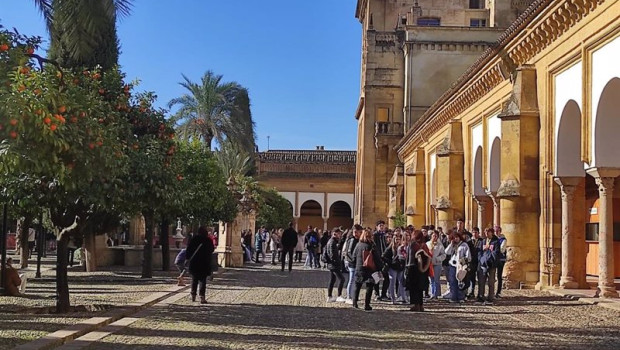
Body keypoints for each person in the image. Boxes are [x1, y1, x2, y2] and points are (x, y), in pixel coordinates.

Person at [351, 228, 383, 311]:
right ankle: (366, 304)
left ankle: (354, 302)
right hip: (369, 268)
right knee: (369, 286)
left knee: (357, 285)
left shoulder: (358, 245)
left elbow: (353, 257)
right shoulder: (371, 245)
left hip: (359, 267)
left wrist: (357, 264)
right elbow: (377, 258)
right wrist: (380, 267)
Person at [186, 226, 215, 304]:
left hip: (194, 262)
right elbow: (212, 249)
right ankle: (202, 297)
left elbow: (188, 250)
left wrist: (187, 258)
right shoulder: (208, 240)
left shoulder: (194, 239)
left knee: (194, 279)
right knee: (202, 280)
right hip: (204, 263)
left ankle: (193, 295)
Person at [406, 230, 432, 312]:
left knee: (414, 288)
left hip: (413, 268)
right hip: (423, 270)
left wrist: (407, 269)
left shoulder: (412, 244)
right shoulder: (424, 245)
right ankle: (421, 305)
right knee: (420, 288)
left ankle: (415, 305)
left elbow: (410, 258)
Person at [445, 232, 471, 303]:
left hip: (460, 266)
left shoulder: (464, 245)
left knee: (460, 281)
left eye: (457, 237)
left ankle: (460, 297)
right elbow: (447, 252)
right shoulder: (453, 245)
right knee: (453, 282)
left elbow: (468, 256)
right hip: (453, 265)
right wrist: (451, 244)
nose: (456, 239)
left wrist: (463, 261)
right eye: (454, 238)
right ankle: (453, 297)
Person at [478, 227, 500, 304]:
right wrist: (481, 259)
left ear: (492, 232)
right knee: (482, 281)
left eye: (488, 232)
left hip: (491, 264)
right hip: (483, 264)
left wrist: (490, 257)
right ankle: (481, 296)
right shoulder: (483, 241)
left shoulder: (495, 241)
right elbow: (480, 251)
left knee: (491, 282)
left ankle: (490, 297)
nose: (486, 233)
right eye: (485, 232)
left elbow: (496, 252)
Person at [382, 233, 406, 304]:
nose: (397, 241)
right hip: (392, 268)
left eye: (399, 239)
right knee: (392, 282)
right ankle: (393, 298)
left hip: (400, 267)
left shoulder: (402, 248)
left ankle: (402, 297)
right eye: (396, 239)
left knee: (401, 282)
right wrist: (391, 262)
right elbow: (383, 256)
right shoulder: (390, 248)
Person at [325, 228, 346, 302]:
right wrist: (338, 262)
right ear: (335, 233)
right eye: (339, 233)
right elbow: (332, 255)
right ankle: (339, 295)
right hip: (334, 265)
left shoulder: (332, 241)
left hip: (332, 264)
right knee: (342, 279)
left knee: (332, 280)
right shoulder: (332, 242)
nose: (340, 235)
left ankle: (329, 296)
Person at [343, 224, 361, 304]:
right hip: (352, 263)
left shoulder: (358, 240)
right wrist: (354, 260)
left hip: (355, 263)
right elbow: (349, 252)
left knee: (355, 280)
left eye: (358, 232)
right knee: (351, 280)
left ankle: (353, 295)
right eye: (355, 232)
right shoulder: (352, 240)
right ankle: (349, 296)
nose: (356, 233)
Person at [372, 220, 389, 301]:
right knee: (377, 278)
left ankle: (384, 294)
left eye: (383, 226)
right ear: (377, 227)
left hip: (384, 259)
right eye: (380, 226)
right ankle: (376, 294)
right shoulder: (375, 235)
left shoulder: (384, 236)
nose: (382, 227)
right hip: (377, 260)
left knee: (386, 278)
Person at [426, 230, 446, 299]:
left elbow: (443, 254)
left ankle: (436, 294)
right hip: (429, 264)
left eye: (436, 236)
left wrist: (438, 259)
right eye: (433, 236)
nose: (435, 237)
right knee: (431, 280)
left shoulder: (440, 245)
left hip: (437, 264)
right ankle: (432, 293)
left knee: (436, 279)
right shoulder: (427, 244)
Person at [467, 227, 482, 299]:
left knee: (480, 278)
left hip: (479, 261)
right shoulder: (469, 242)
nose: (475, 234)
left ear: (478, 233)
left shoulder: (482, 241)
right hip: (472, 262)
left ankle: (480, 293)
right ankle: (471, 291)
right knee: (471, 277)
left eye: (476, 232)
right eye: (473, 232)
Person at [495, 226, 507, 298]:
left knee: (499, 275)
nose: (496, 232)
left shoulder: (503, 239)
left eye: (497, 231)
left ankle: (498, 291)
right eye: (495, 231)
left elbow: (502, 249)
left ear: (500, 231)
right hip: (494, 259)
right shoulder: (494, 239)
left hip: (500, 259)